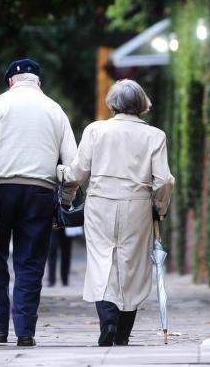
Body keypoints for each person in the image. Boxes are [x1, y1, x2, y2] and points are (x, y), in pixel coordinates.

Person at [57, 79, 174, 347]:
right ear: (141, 104)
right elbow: (164, 181)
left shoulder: (95, 131)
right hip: (137, 205)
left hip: (100, 205)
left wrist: (60, 173)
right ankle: (122, 332)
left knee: (102, 260)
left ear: (113, 103)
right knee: (130, 264)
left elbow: (77, 173)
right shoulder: (155, 136)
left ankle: (107, 319)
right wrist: (160, 208)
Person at [0, 58, 77, 347]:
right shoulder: (55, 110)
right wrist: (64, 202)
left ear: (10, 82)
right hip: (40, 194)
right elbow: (73, 165)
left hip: (0, 192)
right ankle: (25, 331)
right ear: (39, 82)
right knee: (30, 264)